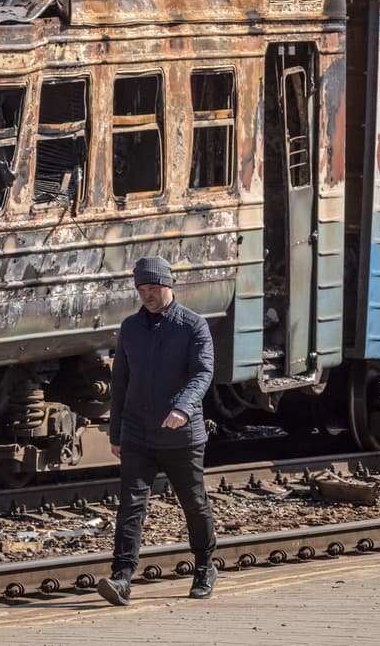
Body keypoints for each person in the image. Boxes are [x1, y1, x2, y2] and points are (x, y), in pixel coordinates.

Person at [97, 255, 218, 606]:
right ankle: (121, 577)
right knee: (131, 505)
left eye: (153, 288)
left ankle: (205, 566)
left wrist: (183, 407)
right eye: (141, 289)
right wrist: (116, 432)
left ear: (169, 285)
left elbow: (202, 373)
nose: (147, 295)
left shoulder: (193, 326)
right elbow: (120, 382)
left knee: (193, 503)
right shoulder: (130, 328)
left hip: (182, 434)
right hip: (137, 432)